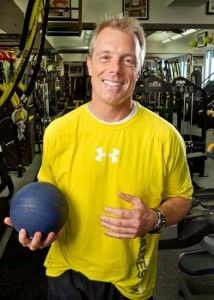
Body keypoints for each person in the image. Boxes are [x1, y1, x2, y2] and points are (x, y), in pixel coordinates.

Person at [5, 15, 193, 300]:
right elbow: (49, 196)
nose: (115, 70)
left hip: (129, 280)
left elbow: (182, 198)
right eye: (105, 57)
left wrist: (154, 219)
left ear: (139, 69)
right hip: (65, 270)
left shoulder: (165, 137)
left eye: (128, 60)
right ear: (90, 64)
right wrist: (38, 229)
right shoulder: (58, 131)